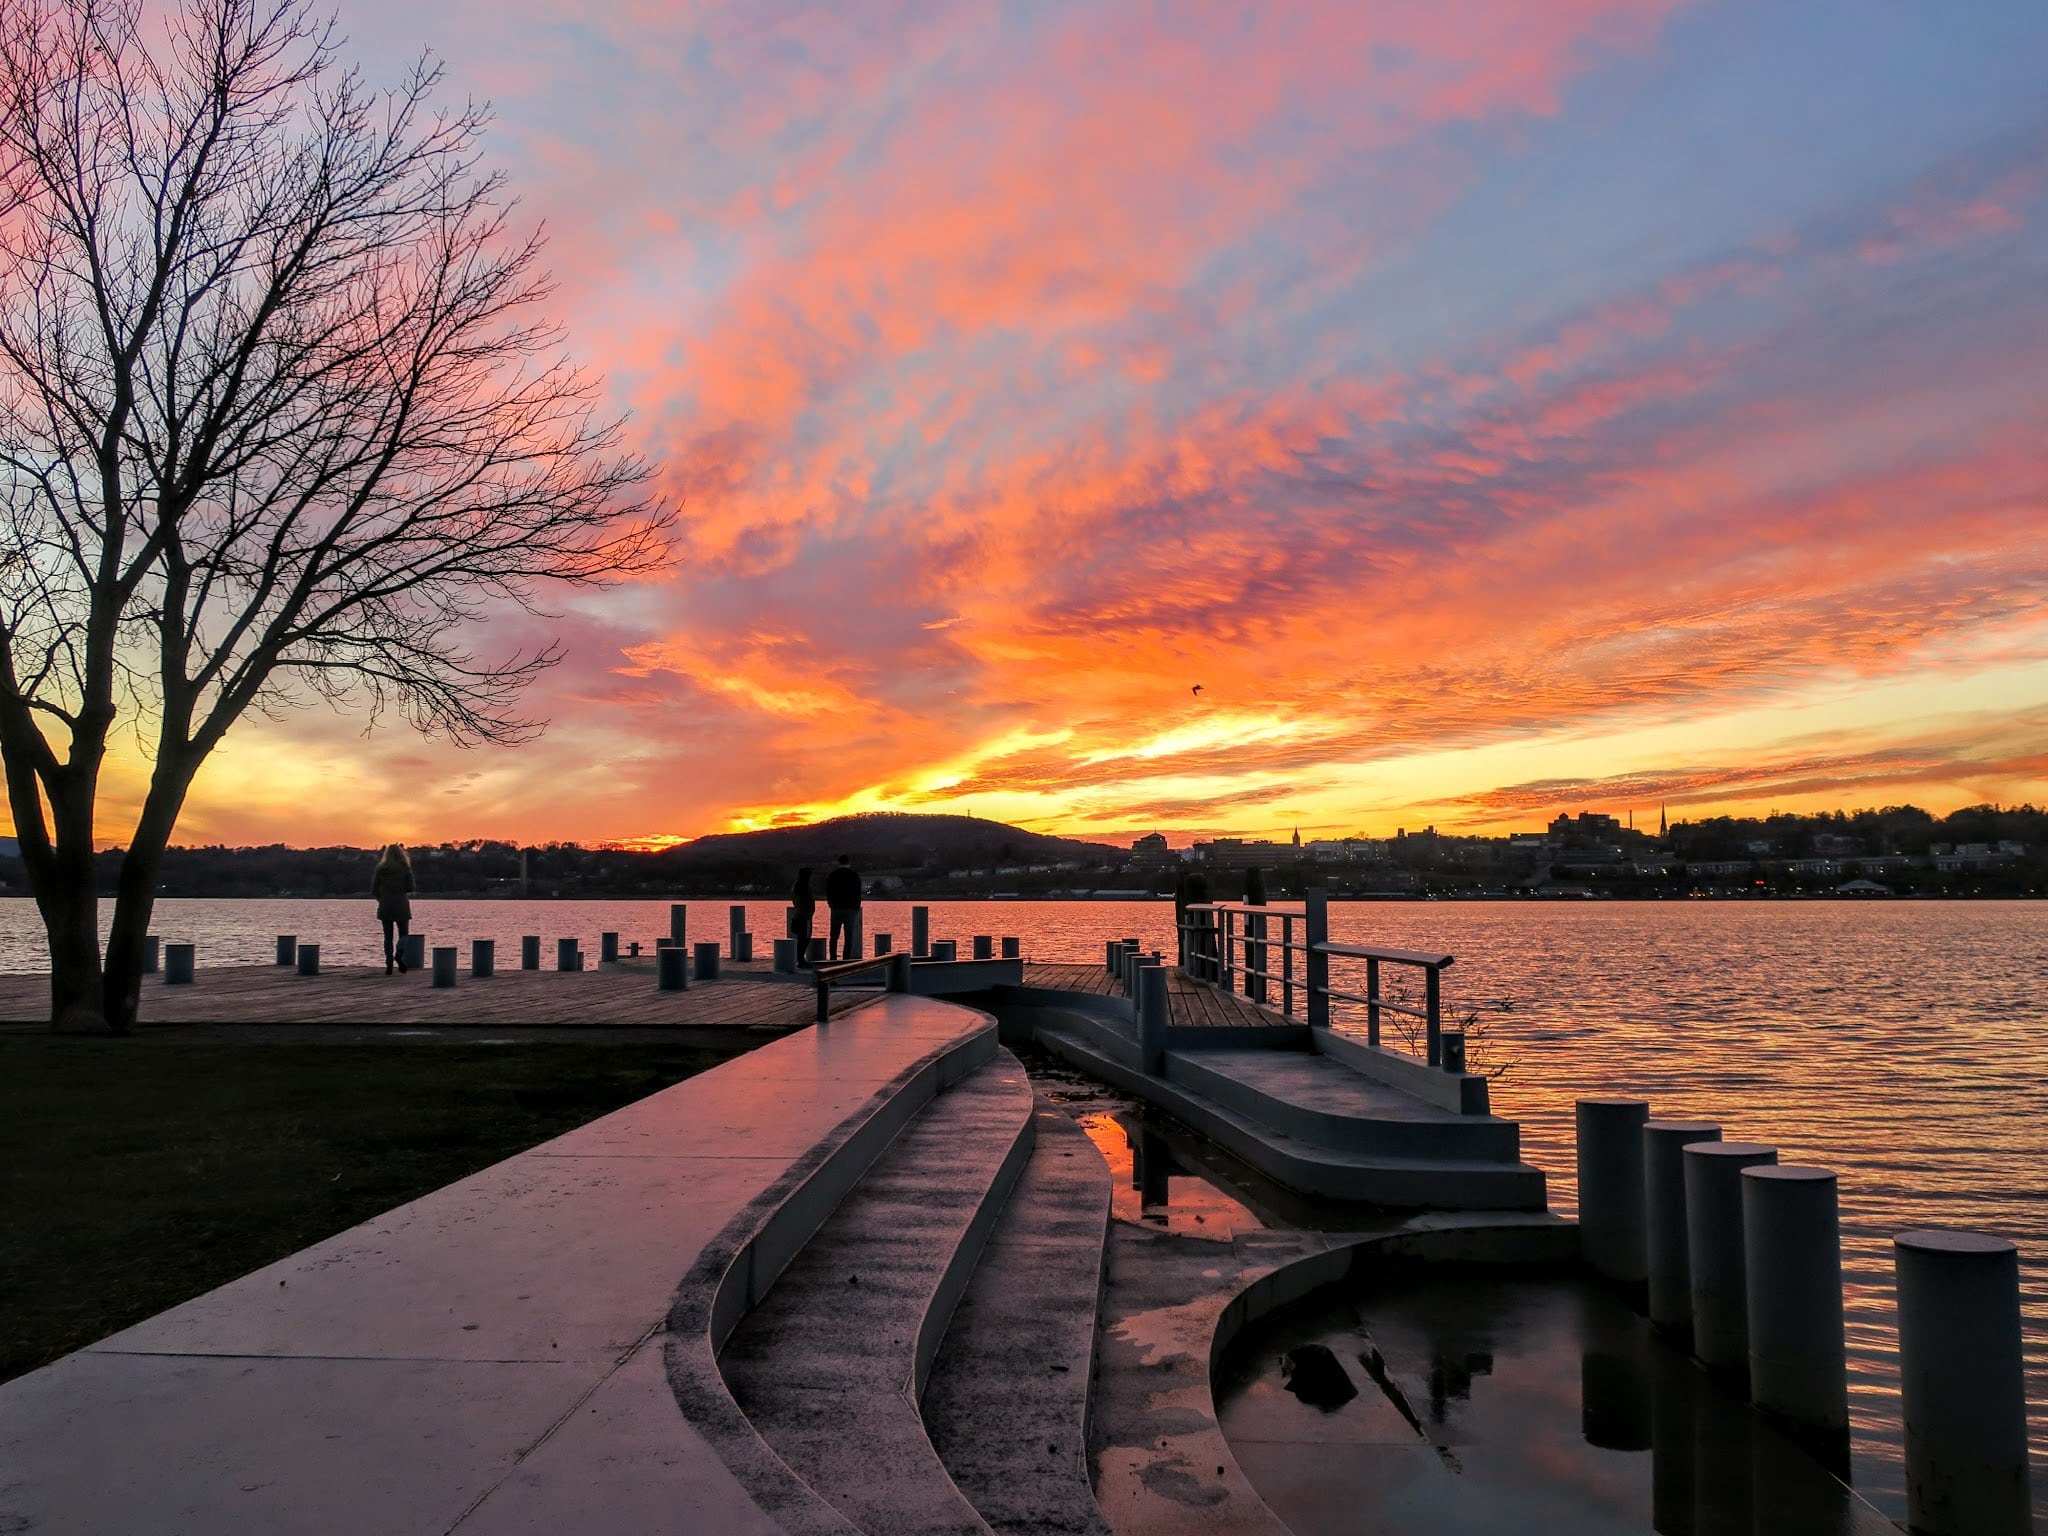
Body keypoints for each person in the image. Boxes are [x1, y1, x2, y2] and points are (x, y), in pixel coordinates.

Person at [372, 844, 415, 974]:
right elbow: (410, 887)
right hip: (401, 903)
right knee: (403, 934)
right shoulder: (405, 868)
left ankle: (389, 963)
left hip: (385, 903)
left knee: (387, 936)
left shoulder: (381, 869)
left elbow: (374, 889)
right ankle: (399, 954)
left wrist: (381, 899)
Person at [824, 854, 863, 962]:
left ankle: (833, 957)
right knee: (848, 936)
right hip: (850, 909)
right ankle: (846, 958)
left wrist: (830, 904)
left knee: (834, 935)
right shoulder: (854, 875)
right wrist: (856, 907)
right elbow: (858, 892)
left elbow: (828, 891)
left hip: (836, 908)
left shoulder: (833, 875)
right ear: (848, 862)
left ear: (839, 862)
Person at [790, 866, 816, 968]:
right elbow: (807, 903)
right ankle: (801, 960)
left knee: (802, 939)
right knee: (804, 939)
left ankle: (800, 959)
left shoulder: (796, 886)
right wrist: (810, 912)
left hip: (798, 916)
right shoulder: (804, 888)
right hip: (805, 917)